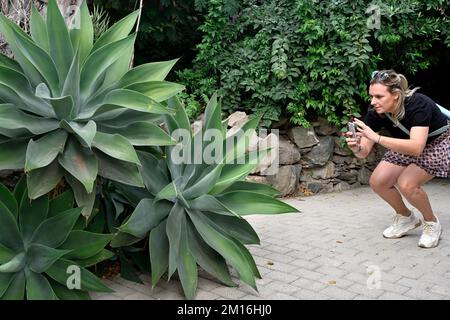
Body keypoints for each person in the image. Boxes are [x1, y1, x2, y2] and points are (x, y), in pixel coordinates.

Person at [346, 69, 450, 248]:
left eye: (379, 96)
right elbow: (363, 153)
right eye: (371, 96)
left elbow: (417, 147)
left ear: (395, 95)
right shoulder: (376, 111)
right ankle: (406, 218)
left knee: (407, 184)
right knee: (378, 181)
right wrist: (356, 147)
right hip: (408, 143)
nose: (373, 101)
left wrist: (376, 138)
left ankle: (432, 223)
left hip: (438, 143)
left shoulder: (418, 104)